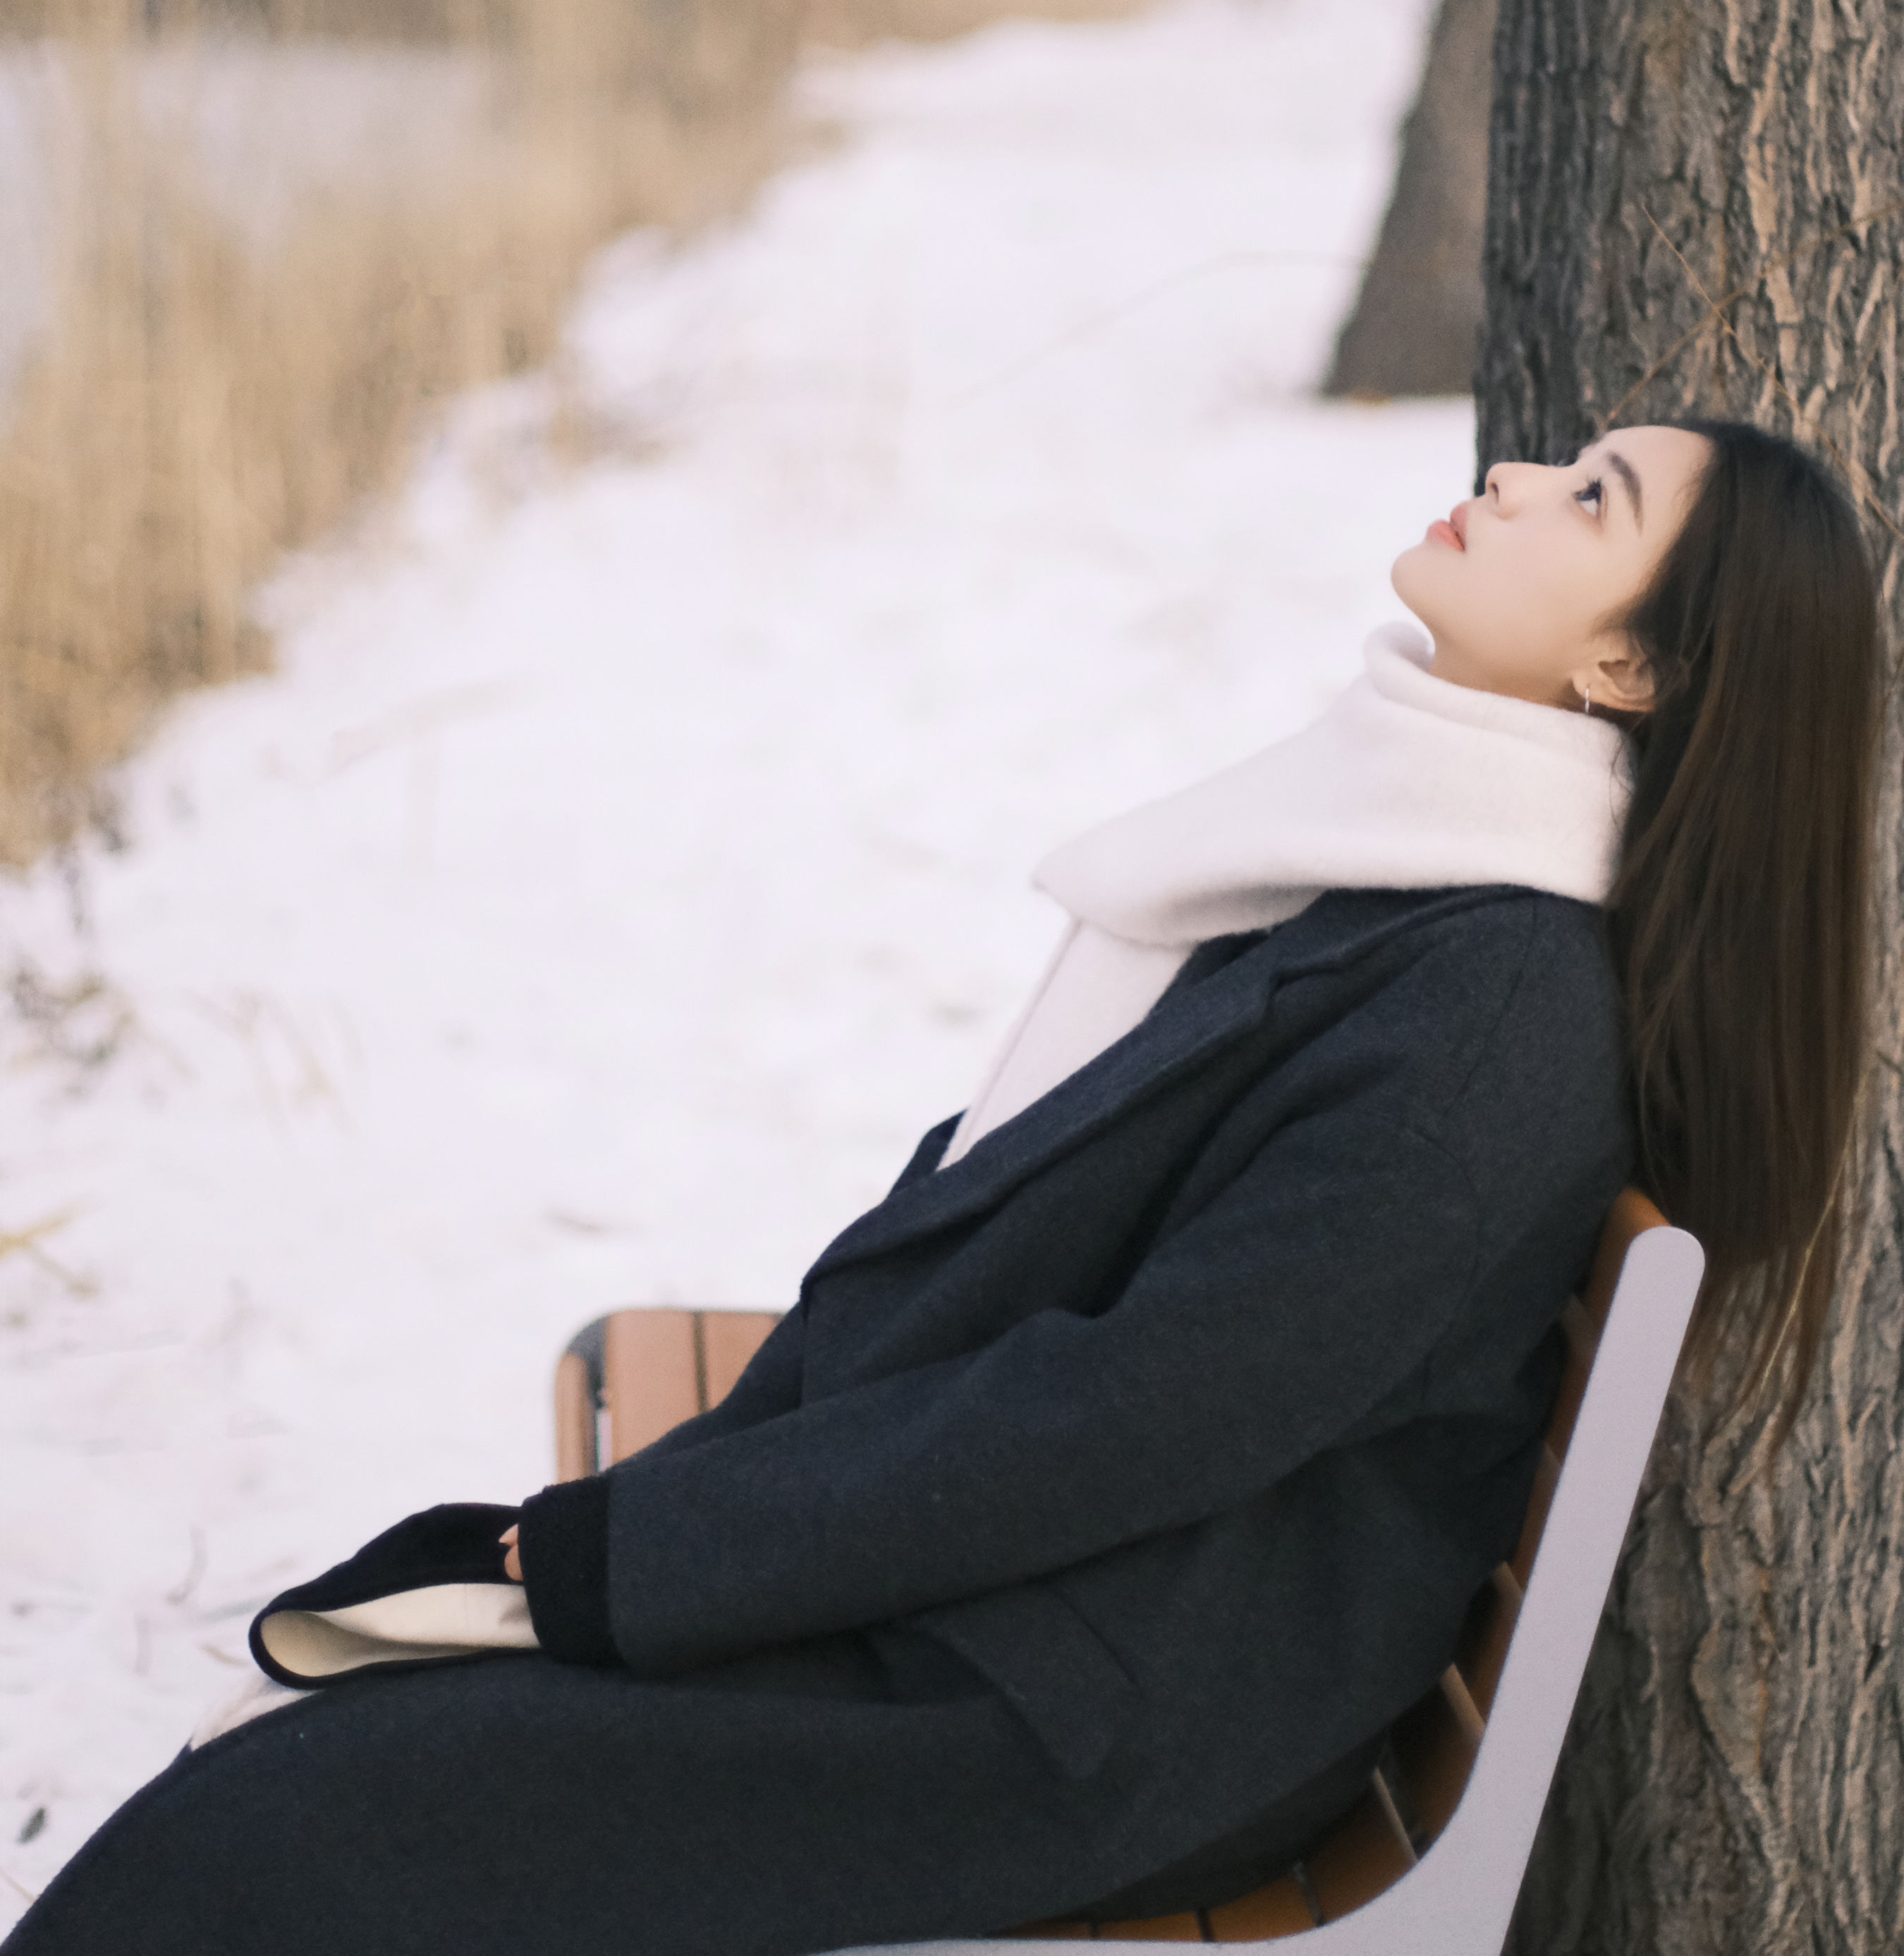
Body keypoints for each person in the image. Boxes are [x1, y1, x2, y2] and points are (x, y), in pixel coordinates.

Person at [13, 421, 1879, 1956]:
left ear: (1622, 668)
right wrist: (687, 1527)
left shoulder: (1485, 1024)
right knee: (333, 1758)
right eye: (1564, 463)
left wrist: (654, 1556)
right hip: (1063, 1625)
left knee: (310, 1817)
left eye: (1590, 501)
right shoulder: (1422, 886)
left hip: (1075, 1713)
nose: (1520, 479)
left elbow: (1132, 1415)